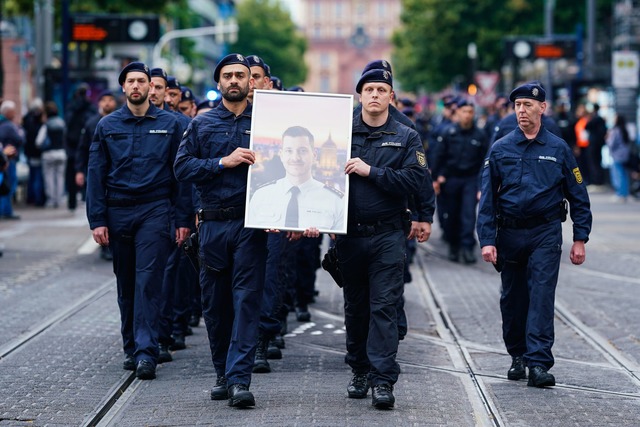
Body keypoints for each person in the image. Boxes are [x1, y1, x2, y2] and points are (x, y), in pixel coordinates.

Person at [477, 82, 592, 388]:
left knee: (541, 296)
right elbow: (487, 198)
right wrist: (487, 240)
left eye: (528, 105)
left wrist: (580, 237)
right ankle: (517, 355)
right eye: (517, 106)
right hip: (510, 233)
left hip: (545, 231)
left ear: (543, 108)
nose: (522, 111)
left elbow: (578, 194)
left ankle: (539, 363)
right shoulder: (500, 148)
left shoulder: (559, 148)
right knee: (513, 299)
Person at [173, 53, 269, 408]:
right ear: (219, 83)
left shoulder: (265, 123)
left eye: (240, 75)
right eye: (227, 75)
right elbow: (182, 167)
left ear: (251, 82)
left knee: (246, 301)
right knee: (215, 304)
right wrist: (221, 162)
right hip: (212, 224)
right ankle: (221, 373)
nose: (233, 80)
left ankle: (239, 380)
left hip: (250, 223)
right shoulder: (201, 124)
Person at [86, 62, 189, 381]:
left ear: (150, 87)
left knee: (148, 281)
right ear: (123, 88)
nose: (136, 86)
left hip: (155, 210)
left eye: (141, 81)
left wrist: (182, 217)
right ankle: (131, 346)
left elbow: (181, 174)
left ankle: (147, 352)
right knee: (126, 282)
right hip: (118, 212)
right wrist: (97, 219)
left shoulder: (171, 124)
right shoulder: (107, 126)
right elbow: (95, 174)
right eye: (130, 81)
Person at [336, 69, 427, 409]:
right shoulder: (341, 133)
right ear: (360, 96)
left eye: (381, 89)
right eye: (368, 89)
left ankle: (383, 380)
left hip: (388, 234)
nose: (374, 94)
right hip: (349, 235)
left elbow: (415, 181)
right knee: (356, 308)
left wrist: (371, 172)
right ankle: (359, 370)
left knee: (384, 307)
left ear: (391, 97)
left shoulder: (406, 136)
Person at [247, 125, 345, 232]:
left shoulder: (336, 200)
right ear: (281, 155)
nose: (295, 158)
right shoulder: (260, 196)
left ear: (314, 155)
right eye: (289, 151)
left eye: (302, 151)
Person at [431, 99, 489, 263]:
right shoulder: (448, 133)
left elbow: (485, 161)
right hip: (451, 179)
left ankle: (467, 247)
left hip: (470, 179)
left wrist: (482, 184)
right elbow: (439, 157)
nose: (467, 115)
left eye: (470, 112)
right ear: (457, 114)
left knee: (468, 215)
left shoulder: (480, 135)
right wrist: (436, 178)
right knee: (452, 215)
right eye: (464, 112)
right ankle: (454, 246)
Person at [76, 90, 118, 260]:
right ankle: (104, 244)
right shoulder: (92, 123)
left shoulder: (121, 121)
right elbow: (82, 148)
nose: (107, 103)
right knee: (98, 206)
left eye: (110, 100)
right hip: (95, 171)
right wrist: (79, 170)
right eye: (104, 100)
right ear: (99, 103)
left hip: (114, 174)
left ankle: (111, 243)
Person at [65, 84, 97, 211]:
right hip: (86, 144)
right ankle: (85, 197)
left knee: (73, 174)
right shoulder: (90, 108)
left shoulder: (71, 107)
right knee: (89, 171)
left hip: (72, 146)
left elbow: (67, 124)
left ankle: (72, 202)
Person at [36, 102, 67, 209]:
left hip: (48, 153)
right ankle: (59, 199)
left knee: (49, 178)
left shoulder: (46, 125)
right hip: (61, 152)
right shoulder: (62, 123)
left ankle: (51, 200)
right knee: (60, 177)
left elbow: (39, 141)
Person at [0, 100, 24, 220]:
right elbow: (20, 139)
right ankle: (6, 211)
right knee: (7, 185)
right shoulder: (9, 125)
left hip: (4, 158)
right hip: (7, 160)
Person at [22, 98, 46, 207]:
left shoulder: (27, 119)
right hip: (37, 152)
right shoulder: (39, 121)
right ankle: (38, 198)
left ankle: (30, 197)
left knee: (32, 175)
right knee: (37, 176)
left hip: (29, 152)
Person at [605, 113, 631, 202]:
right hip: (625, 155)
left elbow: (611, 143)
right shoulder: (625, 129)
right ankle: (625, 193)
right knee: (624, 174)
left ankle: (619, 193)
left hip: (617, 155)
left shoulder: (615, 130)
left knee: (617, 174)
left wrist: (607, 138)